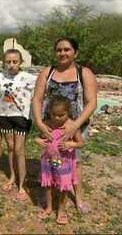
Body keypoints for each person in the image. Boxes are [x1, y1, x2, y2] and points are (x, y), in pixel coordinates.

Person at [32, 37, 97, 213]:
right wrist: (39, 122)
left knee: (75, 163)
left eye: (67, 49)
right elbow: (37, 99)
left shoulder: (84, 73)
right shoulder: (48, 72)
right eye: (59, 50)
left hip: (77, 126)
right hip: (51, 127)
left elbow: (91, 102)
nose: (62, 53)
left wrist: (75, 125)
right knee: (52, 158)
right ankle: (51, 191)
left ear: (75, 52)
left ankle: (79, 198)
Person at [35, 95, 85, 225]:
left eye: (61, 115)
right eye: (54, 115)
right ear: (49, 112)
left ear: (68, 112)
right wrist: (39, 140)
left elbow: (81, 143)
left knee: (63, 187)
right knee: (48, 185)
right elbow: (37, 137)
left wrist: (70, 144)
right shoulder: (46, 123)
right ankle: (49, 207)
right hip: (48, 161)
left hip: (65, 163)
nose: (57, 118)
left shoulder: (72, 126)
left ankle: (62, 210)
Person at [0, 48, 37, 201]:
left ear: (21, 62)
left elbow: (42, 93)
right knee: (11, 148)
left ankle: (22, 184)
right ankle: (12, 177)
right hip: (4, 116)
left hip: (21, 117)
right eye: (8, 62)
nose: (11, 65)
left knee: (19, 150)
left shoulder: (29, 78)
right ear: (4, 63)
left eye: (15, 61)